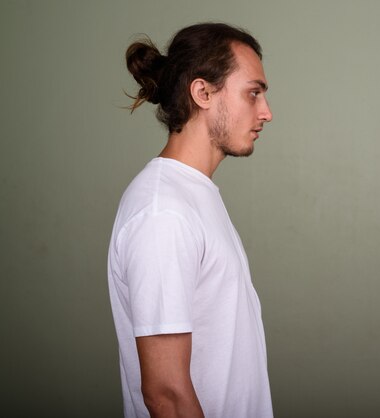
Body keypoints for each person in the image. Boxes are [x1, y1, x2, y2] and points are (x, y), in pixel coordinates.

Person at [107, 23, 274, 418]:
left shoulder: (192, 196)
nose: (266, 112)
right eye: (253, 93)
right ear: (202, 93)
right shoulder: (164, 211)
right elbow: (166, 394)